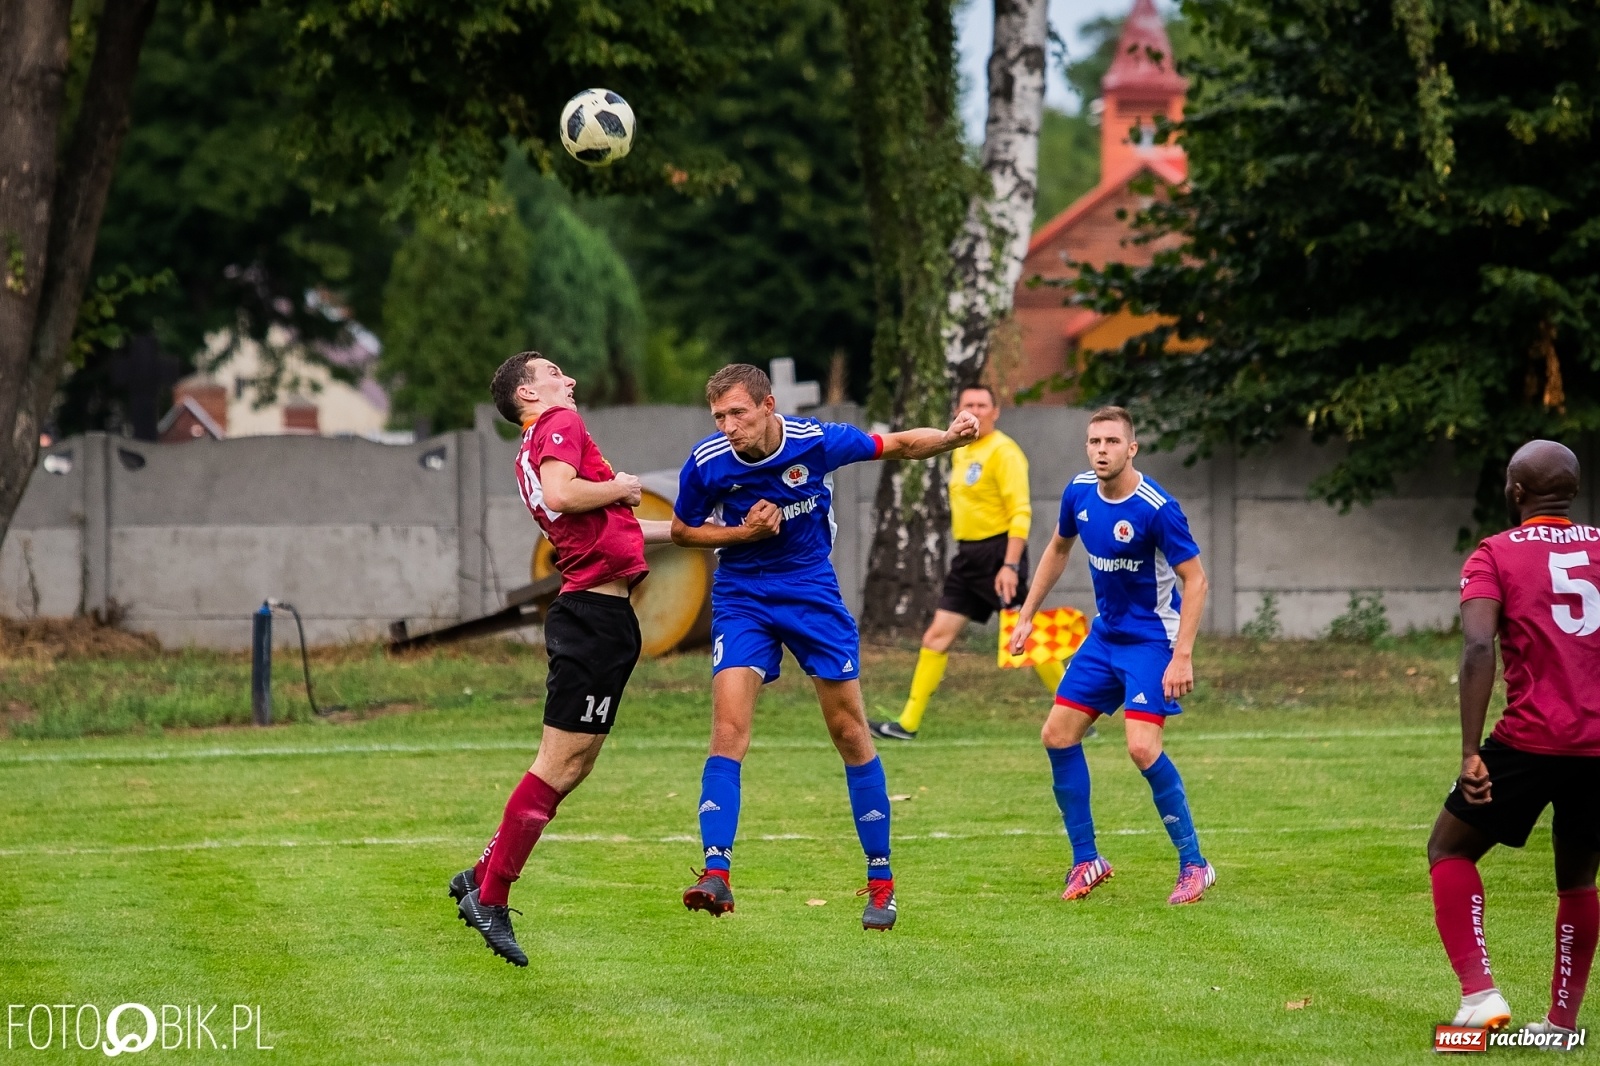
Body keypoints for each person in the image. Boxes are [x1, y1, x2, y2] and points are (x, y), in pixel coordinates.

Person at [670, 363, 979, 930]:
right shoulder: (708, 462)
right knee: (728, 730)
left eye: (737, 413)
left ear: (767, 406)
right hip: (741, 596)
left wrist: (950, 438)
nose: (728, 427)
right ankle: (716, 873)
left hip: (810, 590)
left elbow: (898, 445)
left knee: (850, 732)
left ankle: (881, 884)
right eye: (718, 417)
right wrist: (743, 534)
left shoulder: (816, 441)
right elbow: (682, 530)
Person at [449, 352, 674, 967]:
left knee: (574, 766)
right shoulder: (558, 425)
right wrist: (622, 486)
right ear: (528, 393)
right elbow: (563, 493)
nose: (568, 380)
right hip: (591, 619)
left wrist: (717, 532)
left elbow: (615, 527)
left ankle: (480, 875)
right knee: (557, 764)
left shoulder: (533, 444)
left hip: (603, 620)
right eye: (553, 374)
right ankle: (491, 897)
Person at [1426, 439, 1599, 1037]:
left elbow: (1479, 645)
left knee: (1449, 848)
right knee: (1578, 878)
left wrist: (1470, 751)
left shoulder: (1494, 552)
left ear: (1516, 490)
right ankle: (1561, 1023)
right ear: (1572, 490)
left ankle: (1479, 994)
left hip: (1530, 738)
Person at [1009, 406, 1215, 905]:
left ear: (1132, 448)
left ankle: (1195, 865)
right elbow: (1058, 549)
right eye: (1095, 441)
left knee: (1142, 748)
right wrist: (1027, 614)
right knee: (1057, 735)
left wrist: (1182, 655)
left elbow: (1196, 580)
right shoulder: (1079, 492)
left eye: (1112, 442)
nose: (1102, 450)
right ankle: (1087, 860)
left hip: (1152, 641)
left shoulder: (1157, 508)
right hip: (1105, 637)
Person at [869, 385, 1071, 741]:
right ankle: (907, 724)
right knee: (936, 636)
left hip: (999, 556)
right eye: (968, 405)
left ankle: (1075, 711)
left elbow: (1020, 512)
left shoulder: (1005, 452)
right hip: (968, 559)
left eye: (982, 405)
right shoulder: (962, 450)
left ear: (995, 412)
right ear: (957, 411)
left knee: (1025, 634)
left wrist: (1010, 565)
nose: (975, 411)